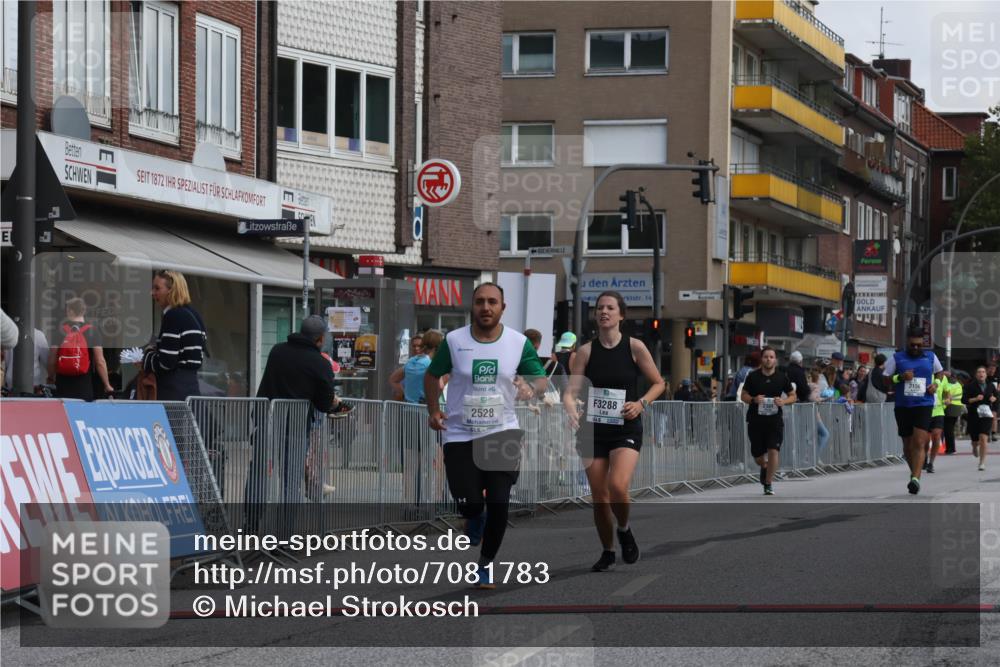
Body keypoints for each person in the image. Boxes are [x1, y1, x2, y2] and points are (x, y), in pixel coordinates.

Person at [424, 283, 547, 589]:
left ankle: (486, 564)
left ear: (502, 307)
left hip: (501, 430)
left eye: (493, 302)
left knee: (500, 503)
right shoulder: (454, 340)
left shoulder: (518, 343)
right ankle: (472, 516)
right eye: (480, 301)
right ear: (472, 306)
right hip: (460, 434)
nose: (486, 307)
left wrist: (529, 388)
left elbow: (540, 380)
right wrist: (433, 410)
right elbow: (431, 375)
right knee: (467, 501)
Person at [563, 291, 664, 571]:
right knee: (599, 496)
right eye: (599, 308)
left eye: (609, 308)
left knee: (617, 486)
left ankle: (624, 528)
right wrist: (571, 408)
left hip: (625, 426)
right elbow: (570, 392)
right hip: (592, 429)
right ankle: (608, 550)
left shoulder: (635, 347)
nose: (603, 312)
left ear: (621, 314)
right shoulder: (585, 351)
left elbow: (658, 383)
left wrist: (641, 403)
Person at [882, 326, 944, 495]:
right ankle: (914, 473)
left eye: (918, 345)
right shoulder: (897, 358)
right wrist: (900, 377)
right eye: (912, 345)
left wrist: (936, 385)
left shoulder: (931, 356)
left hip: (923, 404)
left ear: (922, 344)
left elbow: (940, 373)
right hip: (903, 406)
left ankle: (916, 479)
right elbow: (885, 379)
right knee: (908, 445)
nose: (915, 348)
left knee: (919, 441)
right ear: (907, 343)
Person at [142, 270, 206, 401]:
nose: (152, 293)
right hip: (191, 387)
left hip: (172, 390)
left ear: (171, 290)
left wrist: (147, 356)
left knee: (167, 422)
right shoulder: (194, 314)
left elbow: (167, 361)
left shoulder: (173, 315)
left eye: (157, 288)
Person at [741, 346, 796, 496]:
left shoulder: (782, 377)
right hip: (756, 421)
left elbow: (793, 396)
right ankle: (764, 466)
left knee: (773, 450)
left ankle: (768, 483)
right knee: (758, 456)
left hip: (774, 421)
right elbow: (743, 396)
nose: (768, 359)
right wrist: (753, 399)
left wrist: (783, 402)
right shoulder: (753, 376)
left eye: (771, 357)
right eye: (766, 357)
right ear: (762, 359)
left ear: (775, 360)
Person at [47, 298, 113, 401]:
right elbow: (100, 361)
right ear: (84, 311)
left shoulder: (58, 332)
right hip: (84, 386)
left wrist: (51, 377)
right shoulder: (93, 332)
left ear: (70, 311)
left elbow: (52, 360)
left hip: (63, 386)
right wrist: (107, 384)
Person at [964, 365, 997, 471]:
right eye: (979, 372)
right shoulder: (970, 386)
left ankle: (982, 462)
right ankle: (974, 446)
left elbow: (997, 397)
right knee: (975, 439)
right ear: (976, 374)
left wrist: (994, 398)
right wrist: (975, 399)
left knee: (983, 438)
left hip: (986, 414)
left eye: (983, 372)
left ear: (986, 374)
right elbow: (963, 400)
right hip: (974, 414)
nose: (981, 374)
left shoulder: (990, 385)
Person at [4, 327, 49, 391]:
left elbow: (6, 360)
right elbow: (46, 361)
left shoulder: (9, 333)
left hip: (11, 378)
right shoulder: (38, 335)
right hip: (33, 380)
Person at [925, 371, 948, 474]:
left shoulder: (943, 378)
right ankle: (924, 457)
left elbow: (947, 392)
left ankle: (931, 463)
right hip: (925, 411)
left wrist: (948, 398)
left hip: (938, 411)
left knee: (936, 436)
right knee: (925, 440)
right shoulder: (924, 375)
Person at [390, 334, 424, 401]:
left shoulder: (429, 362)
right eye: (414, 346)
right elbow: (393, 380)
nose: (416, 348)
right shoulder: (409, 364)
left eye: (419, 346)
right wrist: (405, 396)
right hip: (409, 406)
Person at [942, 370, 964, 455]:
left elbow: (947, 397)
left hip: (950, 408)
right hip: (957, 408)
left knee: (948, 430)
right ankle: (951, 448)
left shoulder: (949, 385)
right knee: (950, 429)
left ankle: (950, 449)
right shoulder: (958, 384)